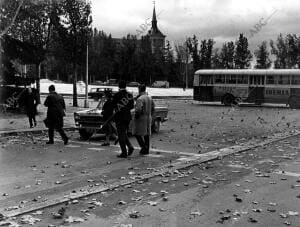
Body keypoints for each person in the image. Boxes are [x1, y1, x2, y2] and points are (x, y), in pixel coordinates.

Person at [111, 80, 134, 158]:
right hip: (127, 116)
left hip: (119, 117)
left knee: (121, 135)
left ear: (119, 86)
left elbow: (113, 106)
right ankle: (130, 146)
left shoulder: (116, 95)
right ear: (125, 86)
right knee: (123, 132)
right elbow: (132, 106)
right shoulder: (129, 95)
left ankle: (124, 152)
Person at [132, 84, 155, 155]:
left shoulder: (140, 99)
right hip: (148, 117)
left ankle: (143, 147)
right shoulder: (149, 98)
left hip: (141, 119)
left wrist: (136, 117)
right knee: (147, 134)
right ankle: (146, 150)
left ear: (139, 89)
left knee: (136, 133)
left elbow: (138, 110)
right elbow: (153, 108)